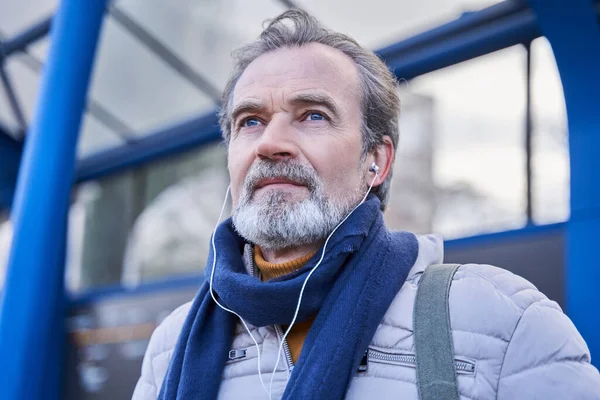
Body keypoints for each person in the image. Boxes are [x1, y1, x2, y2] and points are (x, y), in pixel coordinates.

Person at [132, 9, 600, 400]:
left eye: (313, 115)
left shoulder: (506, 322)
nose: (271, 142)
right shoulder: (170, 346)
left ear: (376, 160)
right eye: (250, 121)